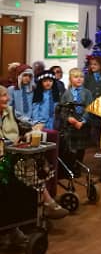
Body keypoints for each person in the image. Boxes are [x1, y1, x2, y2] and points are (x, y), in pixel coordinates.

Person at [0, 85, 68, 221]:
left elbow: (21, 126)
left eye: (7, 95)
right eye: (4, 96)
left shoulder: (10, 111)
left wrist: (32, 129)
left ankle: (43, 204)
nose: (8, 98)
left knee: (38, 161)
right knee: (28, 165)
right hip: (3, 153)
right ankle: (48, 203)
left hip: (16, 149)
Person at [59, 68, 93, 177]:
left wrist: (82, 121)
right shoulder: (66, 93)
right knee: (70, 148)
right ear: (70, 79)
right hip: (70, 125)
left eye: (81, 77)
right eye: (76, 77)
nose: (79, 79)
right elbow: (62, 109)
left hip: (82, 125)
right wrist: (69, 118)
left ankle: (78, 167)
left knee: (80, 148)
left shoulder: (87, 93)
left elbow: (90, 108)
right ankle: (70, 167)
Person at [84, 56, 101, 146]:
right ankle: (93, 143)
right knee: (92, 124)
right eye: (91, 64)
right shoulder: (87, 77)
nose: (93, 66)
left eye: (95, 64)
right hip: (91, 105)